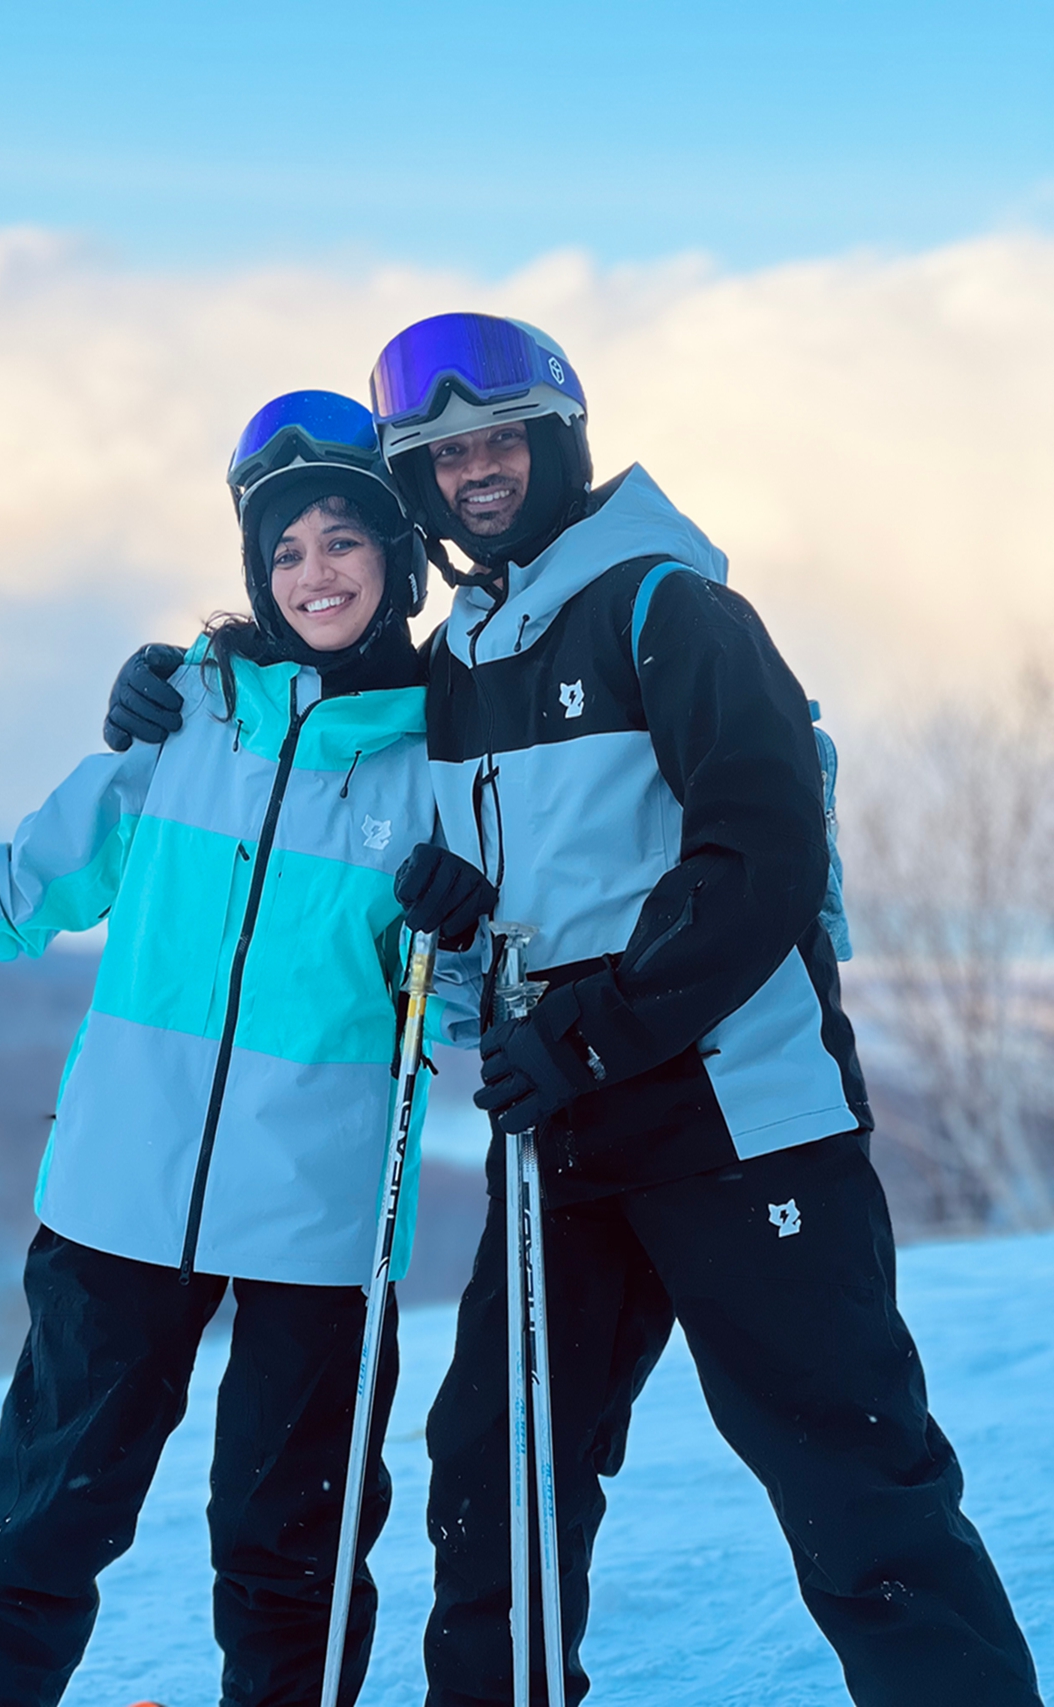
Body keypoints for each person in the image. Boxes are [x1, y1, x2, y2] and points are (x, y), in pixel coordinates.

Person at [367, 311, 1044, 1707]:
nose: (473, 473)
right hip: (561, 1134)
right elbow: (534, 895)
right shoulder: (455, 668)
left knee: (853, 1480)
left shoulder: (667, 608)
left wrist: (594, 1030)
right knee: (496, 1473)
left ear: (558, 440)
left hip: (738, 1121)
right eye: (441, 457)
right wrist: (454, 918)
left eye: (497, 439)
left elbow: (760, 859)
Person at [0, 390, 489, 1707]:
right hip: (119, 1192)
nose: (312, 574)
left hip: (319, 1226)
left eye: (341, 542)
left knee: (291, 1552)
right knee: (39, 1528)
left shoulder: (437, 764)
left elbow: (450, 1014)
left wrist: (471, 934)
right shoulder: (189, 719)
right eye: (284, 551)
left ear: (395, 557)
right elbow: (49, 867)